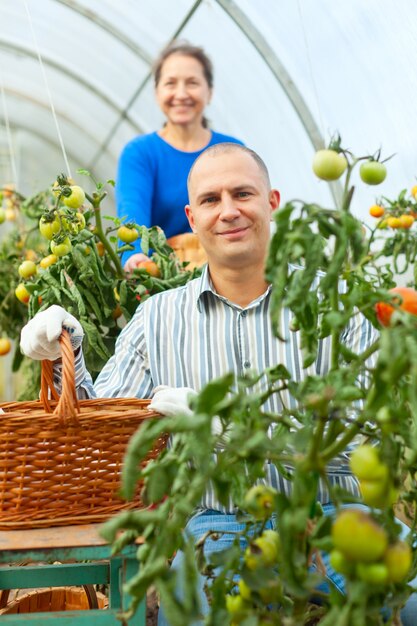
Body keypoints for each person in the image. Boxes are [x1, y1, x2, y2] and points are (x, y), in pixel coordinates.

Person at [20, 144, 416, 625]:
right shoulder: (158, 319)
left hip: (336, 517)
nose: (228, 211)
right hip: (219, 528)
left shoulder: (330, 306)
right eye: (211, 200)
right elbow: (105, 440)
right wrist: (65, 358)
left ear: (271, 201)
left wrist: (241, 433)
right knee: (191, 616)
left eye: (242, 193)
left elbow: (372, 439)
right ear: (191, 216)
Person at [116, 41, 243, 272]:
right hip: (163, 276)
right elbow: (131, 212)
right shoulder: (141, 153)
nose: (181, 94)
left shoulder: (232, 150)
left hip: (228, 271)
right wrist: (134, 257)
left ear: (210, 92)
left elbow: (248, 209)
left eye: (192, 83)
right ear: (157, 93)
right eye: (170, 83)